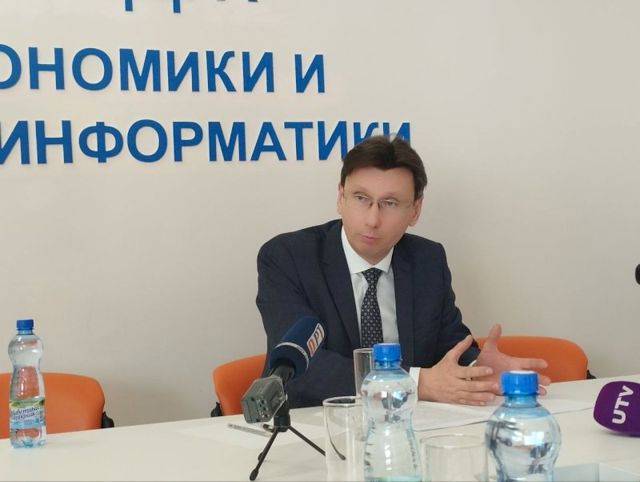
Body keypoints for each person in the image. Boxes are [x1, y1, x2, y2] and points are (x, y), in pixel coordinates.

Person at [256, 135, 549, 408]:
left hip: (409, 425)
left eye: (390, 203)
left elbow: (448, 344)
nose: (372, 219)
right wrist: (416, 384)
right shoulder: (288, 258)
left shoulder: (427, 260)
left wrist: (476, 368)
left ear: (415, 210)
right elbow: (300, 366)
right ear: (340, 197)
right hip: (314, 425)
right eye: (361, 198)